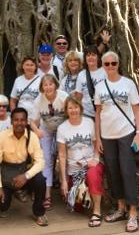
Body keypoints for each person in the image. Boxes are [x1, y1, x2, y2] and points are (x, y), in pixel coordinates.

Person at [95, 51, 139, 233]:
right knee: (113, 172)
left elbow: (137, 111)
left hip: (126, 134)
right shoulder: (100, 87)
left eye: (113, 63)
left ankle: (133, 213)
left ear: (118, 63)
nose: (110, 67)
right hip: (107, 136)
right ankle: (121, 207)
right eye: (106, 64)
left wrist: (138, 134)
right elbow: (98, 114)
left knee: (127, 172)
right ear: (103, 66)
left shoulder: (128, 84)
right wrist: (98, 137)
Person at [0, 107, 48, 226]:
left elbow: (41, 162)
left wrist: (26, 176)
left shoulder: (32, 137)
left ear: (27, 121)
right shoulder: (2, 136)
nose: (19, 123)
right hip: (6, 175)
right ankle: (8, 195)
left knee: (40, 180)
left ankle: (39, 213)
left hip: (23, 172)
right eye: (16, 120)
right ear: (11, 122)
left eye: (22, 120)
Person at [57, 96, 104, 227]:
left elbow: (96, 144)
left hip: (91, 164)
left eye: (76, 107)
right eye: (70, 108)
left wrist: (96, 159)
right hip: (74, 170)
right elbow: (61, 155)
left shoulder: (89, 122)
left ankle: (97, 212)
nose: (73, 110)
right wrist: (64, 180)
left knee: (92, 175)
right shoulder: (62, 128)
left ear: (81, 108)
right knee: (78, 207)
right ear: (66, 110)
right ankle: (92, 193)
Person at [30, 74, 68, 209]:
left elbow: (73, 112)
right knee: (46, 160)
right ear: (42, 87)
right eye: (45, 85)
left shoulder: (63, 96)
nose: (48, 87)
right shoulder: (38, 100)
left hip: (63, 128)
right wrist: (37, 130)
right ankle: (47, 195)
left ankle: (67, 190)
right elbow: (33, 121)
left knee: (65, 158)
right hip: (46, 129)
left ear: (55, 85)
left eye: (50, 84)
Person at [75, 45, 107, 119]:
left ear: (98, 57)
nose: (91, 57)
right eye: (88, 55)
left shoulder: (105, 71)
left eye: (93, 55)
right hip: (87, 115)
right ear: (85, 58)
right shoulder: (81, 74)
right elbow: (78, 97)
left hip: (104, 113)